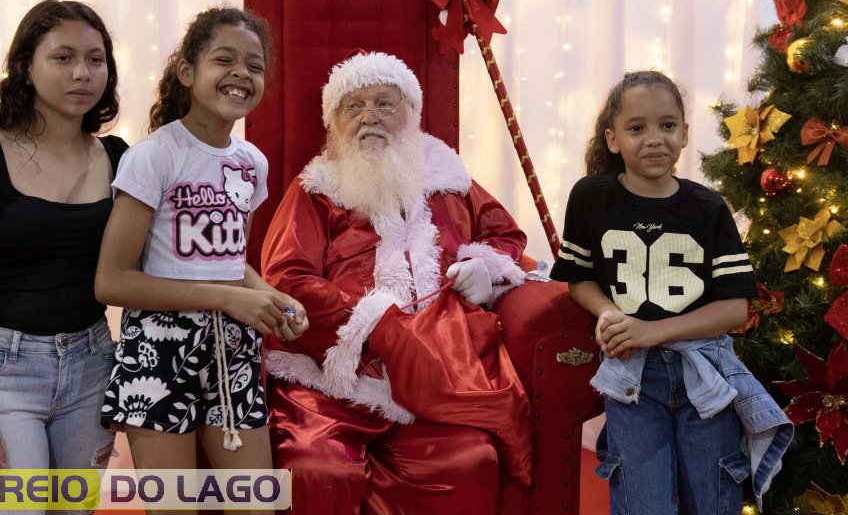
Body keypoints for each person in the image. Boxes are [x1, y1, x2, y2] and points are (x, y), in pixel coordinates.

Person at [261, 50, 534, 514]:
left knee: (468, 462)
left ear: (411, 113)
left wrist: (483, 266)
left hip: (439, 371)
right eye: (354, 107)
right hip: (332, 376)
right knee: (317, 467)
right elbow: (287, 278)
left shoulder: (450, 181)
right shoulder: (315, 191)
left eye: (384, 104)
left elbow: (505, 235)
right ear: (334, 124)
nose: (369, 117)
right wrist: (374, 325)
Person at [94, 7, 307, 514]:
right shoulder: (154, 156)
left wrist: (270, 295)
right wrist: (228, 299)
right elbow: (112, 281)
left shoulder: (251, 163)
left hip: (233, 350)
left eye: (254, 65)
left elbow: (231, 262)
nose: (241, 74)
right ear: (187, 72)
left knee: (255, 505)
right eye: (224, 60)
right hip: (159, 351)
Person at [549, 70, 792, 514]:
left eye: (667, 125)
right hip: (633, 378)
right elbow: (578, 277)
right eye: (636, 128)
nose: (654, 139)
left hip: (705, 372)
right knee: (643, 499)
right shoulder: (591, 198)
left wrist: (650, 331)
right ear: (612, 139)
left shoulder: (708, 208)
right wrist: (608, 313)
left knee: (712, 497)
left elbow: (735, 310)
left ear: (684, 133)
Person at [0, 0, 126, 482]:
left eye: (95, 59)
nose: (82, 73)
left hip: (92, 366)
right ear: (24, 67)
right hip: (1, 375)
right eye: (63, 58)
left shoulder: (119, 158)